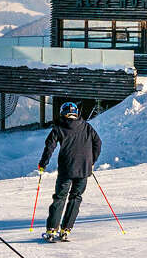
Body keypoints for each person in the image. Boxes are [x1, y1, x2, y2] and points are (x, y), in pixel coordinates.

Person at [37, 101, 102, 243]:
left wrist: (43, 164)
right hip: (84, 169)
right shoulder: (86, 127)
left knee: (60, 198)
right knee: (76, 197)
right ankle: (65, 230)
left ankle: (51, 230)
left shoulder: (59, 128)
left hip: (66, 169)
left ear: (63, 113)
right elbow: (98, 143)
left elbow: (49, 147)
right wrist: (91, 161)